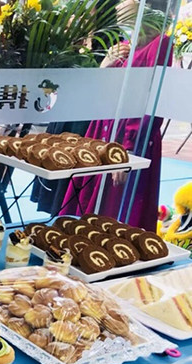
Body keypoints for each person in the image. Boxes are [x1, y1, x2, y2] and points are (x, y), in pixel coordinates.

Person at [60, 0, 171, 230]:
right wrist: (106, 64)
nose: (122, 25)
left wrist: (128, 151)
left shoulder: (159, 45)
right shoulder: (126, 45)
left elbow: (150, 102)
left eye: (126, 19)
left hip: (130, 136)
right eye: (120, 21)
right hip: (106, 129)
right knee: (91, 201)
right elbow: (103, 90)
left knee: (118, 206)